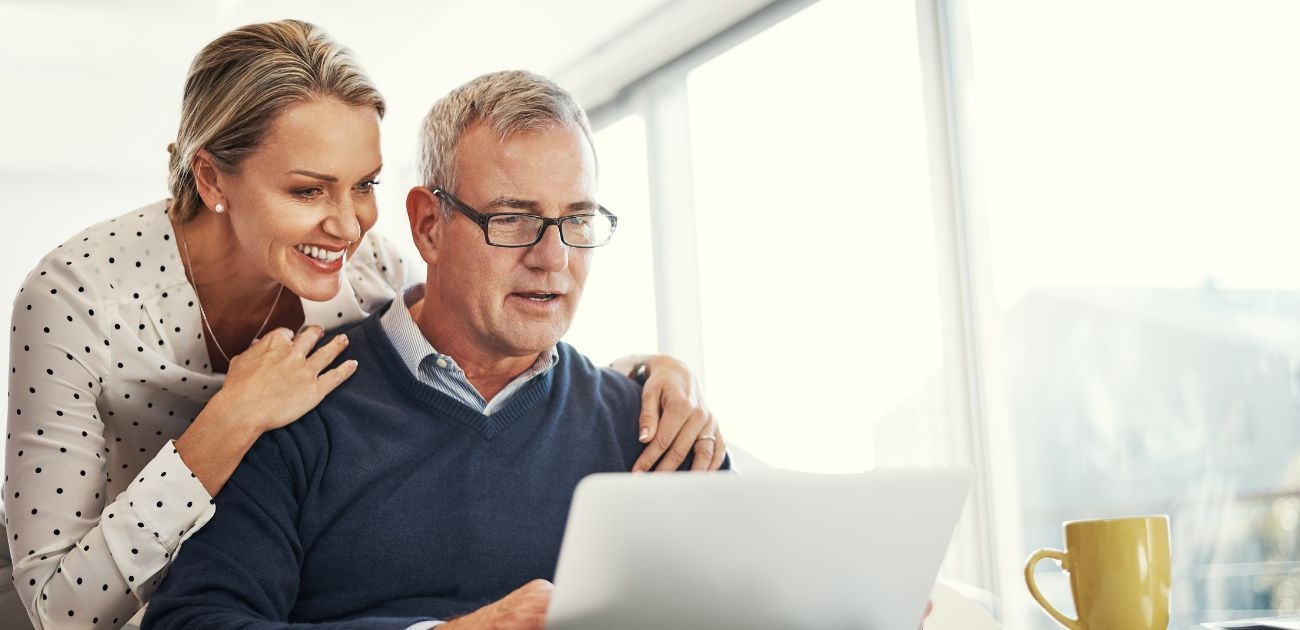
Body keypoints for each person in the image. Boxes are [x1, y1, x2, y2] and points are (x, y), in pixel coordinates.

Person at [4, 22, 724, 630]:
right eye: (307, 188)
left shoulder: (362, 266)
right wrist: (231, 420)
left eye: (363, 185)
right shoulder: (78, 301)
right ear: (211, 179)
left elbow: (477, 326)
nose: (347, 223)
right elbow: (60, 607)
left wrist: (645, 375)